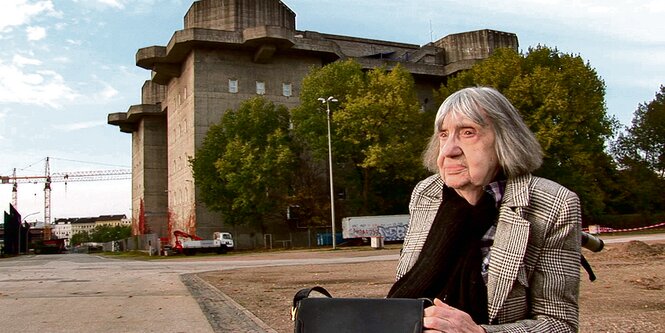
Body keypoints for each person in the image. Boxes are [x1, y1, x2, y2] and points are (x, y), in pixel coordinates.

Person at [387, 87, 581, 332]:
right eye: (443, 135)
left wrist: (478, 332)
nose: (448, 150)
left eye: (468, 133)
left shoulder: (553, 204)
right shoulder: (426, 194)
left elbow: (559, 324)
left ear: (505, 139)